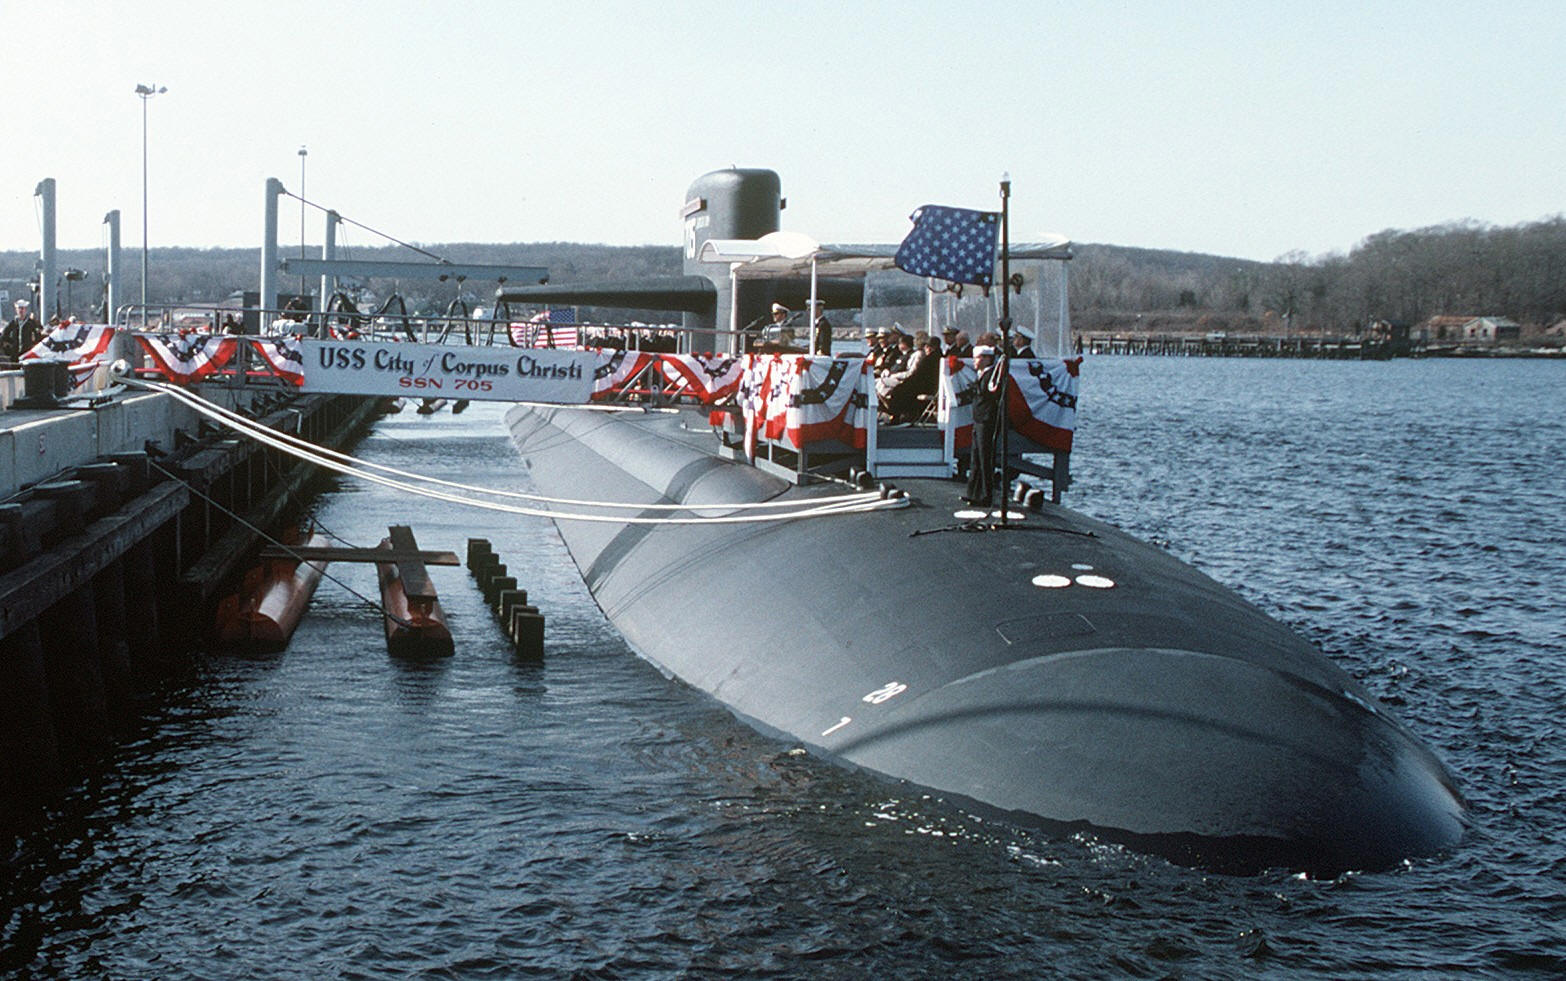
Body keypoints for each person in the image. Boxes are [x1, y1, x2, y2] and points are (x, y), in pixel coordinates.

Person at [964, 344, 1008, 506]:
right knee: (975, 457)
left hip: (987, 420)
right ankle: (973, 493)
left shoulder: (992, 374)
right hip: (978, 419)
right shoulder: (982, 374)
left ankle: (986, 495)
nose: (974, 361)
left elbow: (991, 393)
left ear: (986, 359)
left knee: (985, 458)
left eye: (977, 358)